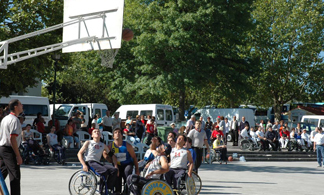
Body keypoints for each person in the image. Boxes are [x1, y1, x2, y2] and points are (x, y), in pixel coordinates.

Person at [78, 129, 119, 194]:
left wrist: (116, 165)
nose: (97, 132)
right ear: (92, 135)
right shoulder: (88, 142)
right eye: (95, 132)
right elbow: (79, 153)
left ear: (100, 135)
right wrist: (84, 165)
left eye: (98, 132)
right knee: (104, 171)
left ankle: (108, 188)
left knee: (114, 170)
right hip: (89, 162)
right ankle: (101, 191)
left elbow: (112, 155)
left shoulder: (103, 145)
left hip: (98, 163)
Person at [0, 99, 23, 195]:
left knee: (2, 172)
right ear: (15, 107)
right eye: (20, 104)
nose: (22, 106)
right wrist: (18, 155)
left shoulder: (5, 118)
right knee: (15, 175)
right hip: (9, 149)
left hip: (2, 148)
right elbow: (12, 139)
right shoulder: (14, 120)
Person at [108, 128, 139, 194]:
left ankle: (126, 191)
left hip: (127, 164)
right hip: (118, 165)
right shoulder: (110, 146)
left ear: (122, 135)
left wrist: (137, 170)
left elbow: (134, 157)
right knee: (116, 173)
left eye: (119, 132)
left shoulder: (127, 145)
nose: (117, 134)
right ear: (113, 136)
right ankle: (118, 191)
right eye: (115, 132)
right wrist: (110, 160)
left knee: (127, 172)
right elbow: (104, 153)